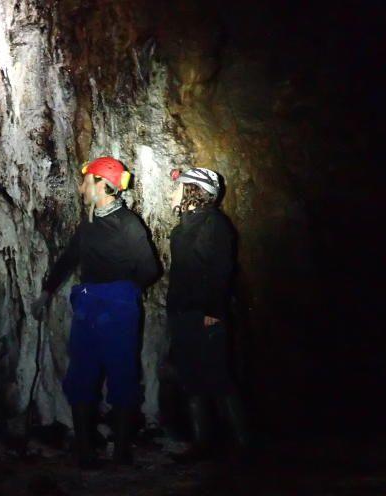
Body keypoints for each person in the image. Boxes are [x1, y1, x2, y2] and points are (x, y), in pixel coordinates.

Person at [32, 157, 159, 466]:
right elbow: (68, 259)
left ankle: (122, 450)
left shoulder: (130, 224)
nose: (81, 187)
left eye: (87, 181)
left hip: (118, 307)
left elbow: (150, 268)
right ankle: (85, 450)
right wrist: (47, 291)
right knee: (82, 374)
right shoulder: (88, 226)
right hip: (89, 305)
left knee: (122, 374)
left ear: (103, 185)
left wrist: (126, 292)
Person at [165, 167, 250, 459]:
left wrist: (213, 310)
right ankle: (202, 444)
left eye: (178, 186)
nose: (172, 191)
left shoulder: (215, 225)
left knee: (218, 378)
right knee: (190, 378)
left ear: (193, 190)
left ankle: (242, 445)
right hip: (183, 312)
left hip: (206, 313)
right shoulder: (182, 228)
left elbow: (221, 269)